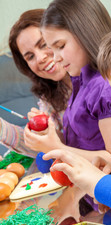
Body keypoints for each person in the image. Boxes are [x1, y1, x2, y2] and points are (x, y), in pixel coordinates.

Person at [23, 0, 111, 223]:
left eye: (60, 46)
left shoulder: (103, 86)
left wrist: (57, 147)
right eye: (51, 48)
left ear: (85, 32)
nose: (55, 57)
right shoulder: (80, 82)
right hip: (95, 199)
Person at [0, 8, 70, 159]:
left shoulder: (101, 82)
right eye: (30, 56)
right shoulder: (49, 98)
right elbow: (46, 148)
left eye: (44, 44)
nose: (40, 58)